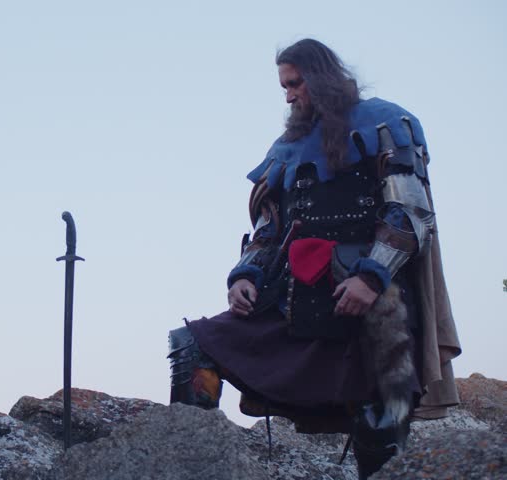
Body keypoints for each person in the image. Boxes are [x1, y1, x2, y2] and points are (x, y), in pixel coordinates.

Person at [167, 39, 461, 479]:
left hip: (373, 296)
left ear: (322, 77)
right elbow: (271, 225)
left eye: (295, 83)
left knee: (382, 414)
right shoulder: (287, 147)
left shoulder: (387, 124)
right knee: (192, 347)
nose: (288, 95)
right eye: (284, 86)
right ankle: (191, 468)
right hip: (293, 292)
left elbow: (410, 212)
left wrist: (372, 277)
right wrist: (244, 275)